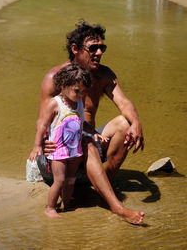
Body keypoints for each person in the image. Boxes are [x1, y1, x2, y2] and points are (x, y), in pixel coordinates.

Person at [29, 20, 145, 224]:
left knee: (125, 124)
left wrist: (137, 124)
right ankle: (117, 207)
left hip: (83, 150)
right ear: (75, 49)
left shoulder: (104, 75)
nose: (99, 53)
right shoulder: (56, 79)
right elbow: (43, 122)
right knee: (87, 141)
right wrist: (41, 144)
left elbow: (124, 103)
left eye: (102, 48)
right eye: (93, 48)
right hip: (57, 155)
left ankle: (102, 185)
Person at [32, 63, 104, 218]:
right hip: (58, 150)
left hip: (74, 149)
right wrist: (37, 146)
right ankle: (50, 208)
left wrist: (94, 133)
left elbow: (82, 122)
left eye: (83, 93)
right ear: (64, 85)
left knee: (70, 180)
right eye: (77, 91)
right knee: (59, 180)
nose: (79, 95)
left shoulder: (78, 102)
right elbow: (43, 125)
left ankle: (66, 204)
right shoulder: (54, 103)